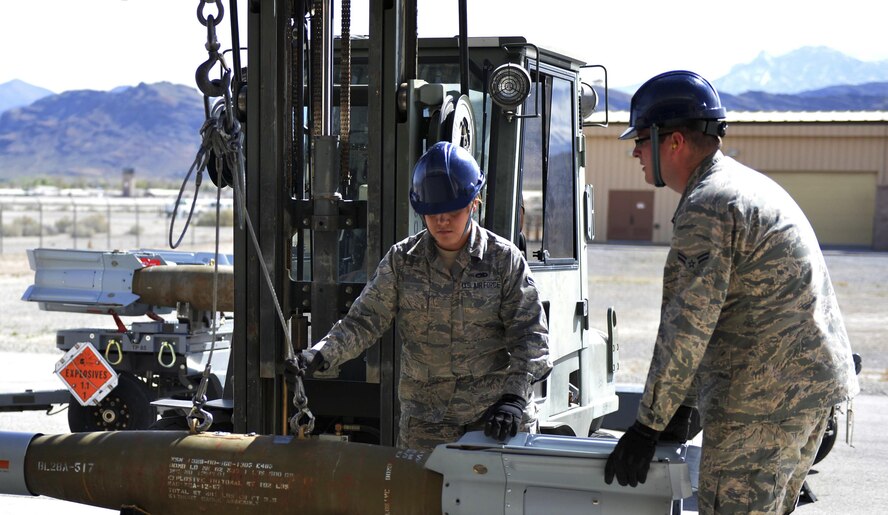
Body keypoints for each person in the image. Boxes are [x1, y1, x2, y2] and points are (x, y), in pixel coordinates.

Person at [603, 70, 860, 514]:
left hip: (762, 404)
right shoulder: (737, 186)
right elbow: (721, 312)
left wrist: (648, 424)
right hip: (799, 394)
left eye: (643, 139)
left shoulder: (709, 206)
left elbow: (687, 327)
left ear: (675, 142)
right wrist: (679, 408)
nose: (635, 152)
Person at [297, 141, 551, 452]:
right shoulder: (403, 261)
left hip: (494, 418)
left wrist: (514, 398)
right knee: (418, 500)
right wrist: (321, 354)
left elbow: (530, 336)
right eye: (433, 213)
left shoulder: (503, 260)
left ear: (475, 203)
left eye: (452, 211)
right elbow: (364, 321)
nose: (442, 221)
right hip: (428, 423)